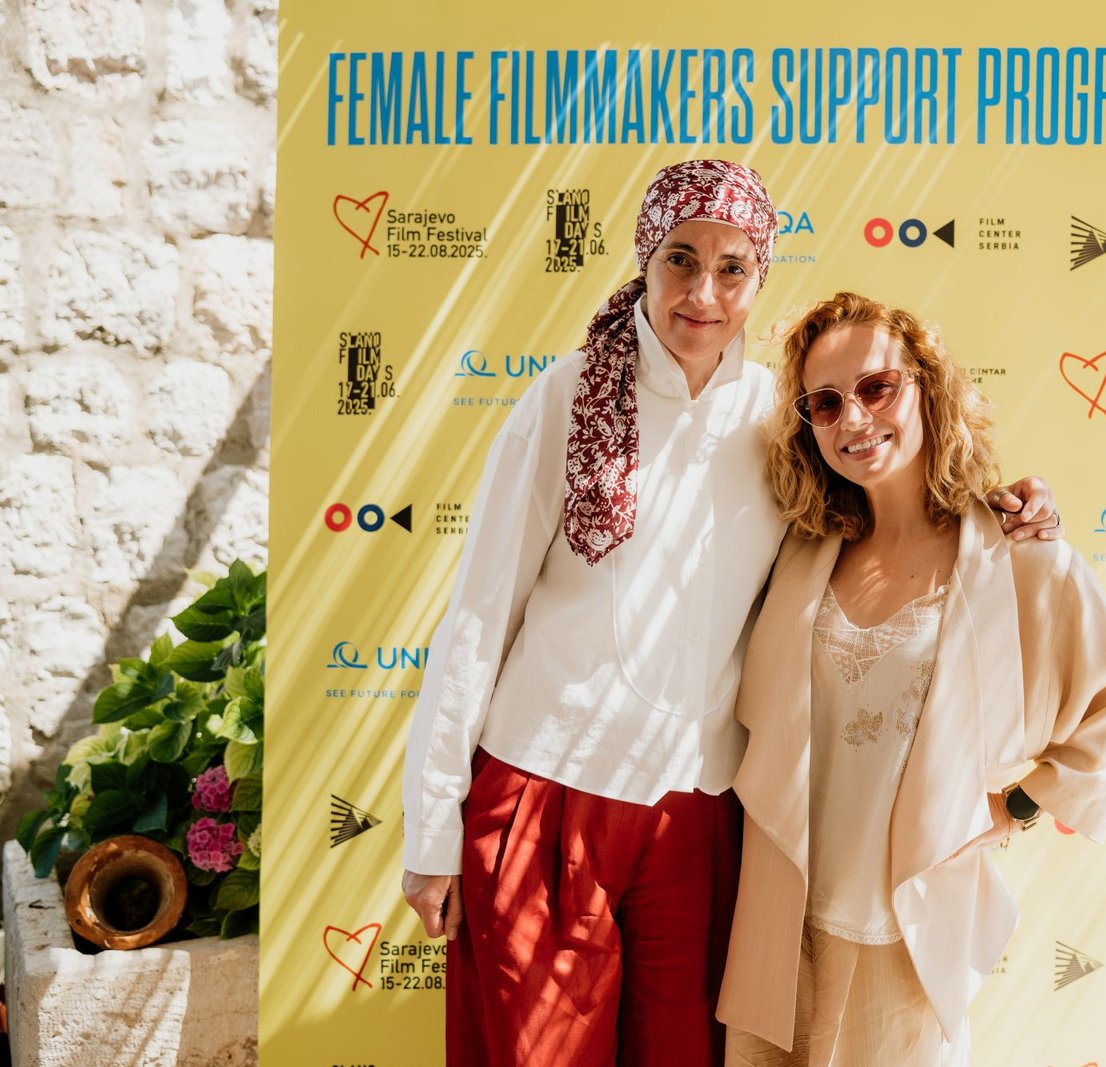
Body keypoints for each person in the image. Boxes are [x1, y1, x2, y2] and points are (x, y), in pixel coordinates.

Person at [399, 163, 1060, 1067]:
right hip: (548, 794)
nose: (703, 293)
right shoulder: (566, 396)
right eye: (681, 259)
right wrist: (431, 829)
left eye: (733, 267)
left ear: (760, 277)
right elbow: (477, 617)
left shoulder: (780, 419)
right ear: (645, 258)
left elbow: (889, 500)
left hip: (697, 822)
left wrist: (1005, 511)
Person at [717, 292, 1106, 1066]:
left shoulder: (1014, 552)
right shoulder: (802, 550)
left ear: (926, 385)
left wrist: (1013, 807)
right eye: (826, 402)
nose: (854, 418)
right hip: (781, 931)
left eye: (876, 387)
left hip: (905, 939)